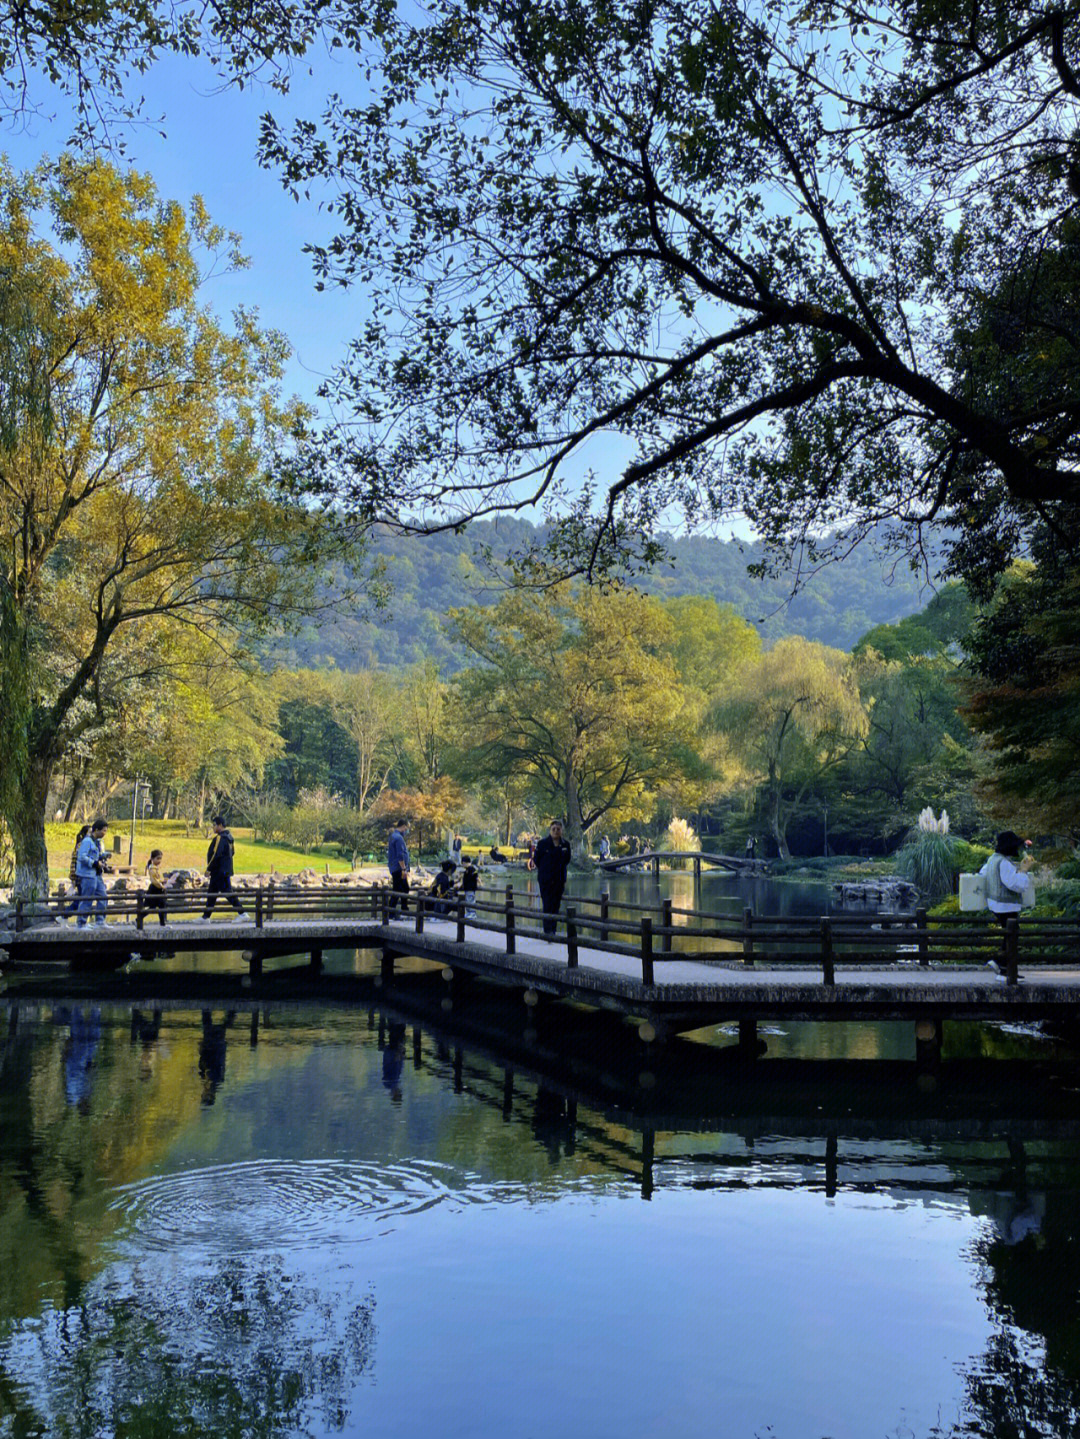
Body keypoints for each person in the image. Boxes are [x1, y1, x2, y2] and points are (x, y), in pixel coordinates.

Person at [200, 817, 250, 922]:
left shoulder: (220, 838)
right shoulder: (229, 837)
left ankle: (242, 913)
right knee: (212, 893)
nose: (213, 827)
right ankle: (206, 917)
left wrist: (209, 868)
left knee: (227, 892)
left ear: (220, 825)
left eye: (214, 825)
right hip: (224, 869)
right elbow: (232, 853)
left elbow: (216, 855)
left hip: (219, 871)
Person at [981, 830, 1033, 927]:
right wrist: (1023, 871)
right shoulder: (1004, 862)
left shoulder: (993, 859)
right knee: (1012, 936)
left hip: (996, 905)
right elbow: (1015, 884)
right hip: (1006, 907)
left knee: (1008, 936)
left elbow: (984, 874)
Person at [533, 819, 572, 937]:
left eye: (558, 829)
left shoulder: (566, 845)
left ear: (562, 831)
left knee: (556, 905)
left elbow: (567, 860)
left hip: (559, 880)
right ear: (550, 830)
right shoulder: (542, 844)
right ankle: (547, 931)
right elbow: (536, 860)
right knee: (547, 904)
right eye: (553, 829)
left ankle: (553, 931)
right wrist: (546, 870)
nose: (556, 831)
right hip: (545, 880)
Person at [75, 820, 110, 928]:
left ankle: (100, 921)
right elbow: (82, 857)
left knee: (103, 896)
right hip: (87, 874)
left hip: (96, 874)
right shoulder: (87, 841)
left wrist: (103, 856)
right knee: (87, 898)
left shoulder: (97, 842)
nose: (105, 833)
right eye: (104, 830)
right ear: (97, 830)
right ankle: (81, 923)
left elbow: (95, 855)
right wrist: (94, 863)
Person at [62, 825, 90, 921]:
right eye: (90, 832)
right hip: (80, 876)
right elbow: (74, 863)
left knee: (82, 898)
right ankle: (65, 915)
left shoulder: (87, 844)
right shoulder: (81, 846)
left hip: (84, 876)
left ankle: (66, 915)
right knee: (82, 899)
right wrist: (73, 878)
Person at [387, 818, 411, 917]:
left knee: (404, 888)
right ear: (404, 826)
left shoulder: (393, 836)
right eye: (407, 828)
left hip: (395, 867)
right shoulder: (398, 838)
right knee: (398, 889)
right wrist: (404, 869)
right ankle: (392, 912)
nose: (407, 830)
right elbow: (400, 855)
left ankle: (402, 910)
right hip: (399, 868)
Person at [144, 849, 169, 927]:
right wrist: (162, 886)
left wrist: (165, 880)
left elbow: (159, 879)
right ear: (152, 859)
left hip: (158, 888)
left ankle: (163, 923)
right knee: (155, 906)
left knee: (159, 906)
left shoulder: (156, 868)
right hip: (155, 889)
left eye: (160, 858)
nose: (159, 860)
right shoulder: (152, 869)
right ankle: (162, 924)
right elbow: (155, 881)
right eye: (157, 858)